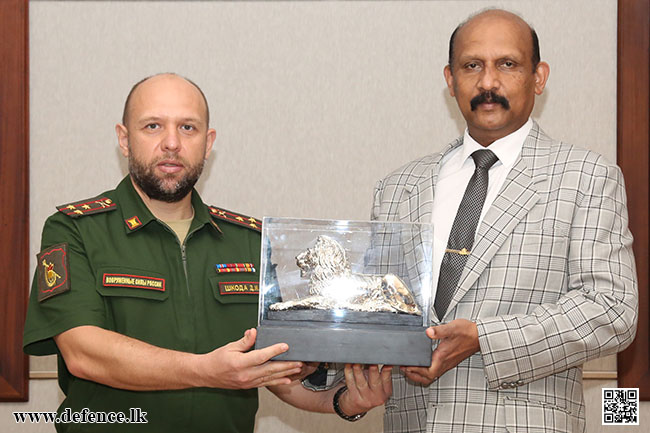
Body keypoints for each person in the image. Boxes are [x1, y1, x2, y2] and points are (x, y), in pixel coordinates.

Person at [292, 8, 638, 432]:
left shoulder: (586, 177)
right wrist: (315, 355)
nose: (488, 82)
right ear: (451, 80)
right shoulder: (398, 187)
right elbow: (378, 314)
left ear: (539, 77)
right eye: (472, 66)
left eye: (507, 65)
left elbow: (611, 311)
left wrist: (483, 339)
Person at [22, 73, 308, 433]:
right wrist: (205, 371)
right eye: (153, 126)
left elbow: (275, 368)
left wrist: (344, 402)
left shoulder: (247, 240)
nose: (171, 143)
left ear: (208, 142)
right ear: (124, 140)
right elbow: (82, 353)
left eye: (188, 128)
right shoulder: (76, 229)